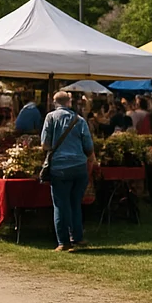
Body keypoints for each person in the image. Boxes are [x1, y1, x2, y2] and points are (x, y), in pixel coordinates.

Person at [40, 90, 96, 252]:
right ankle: (77, 237)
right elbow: (88, 145)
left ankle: (63, 242)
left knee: (60, 204)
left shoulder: (50, 118)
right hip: (79, 166)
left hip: (59, 167)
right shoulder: (79, 120)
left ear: (54, 102)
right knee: (75, 204)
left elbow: (45, 144)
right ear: (69, 102)